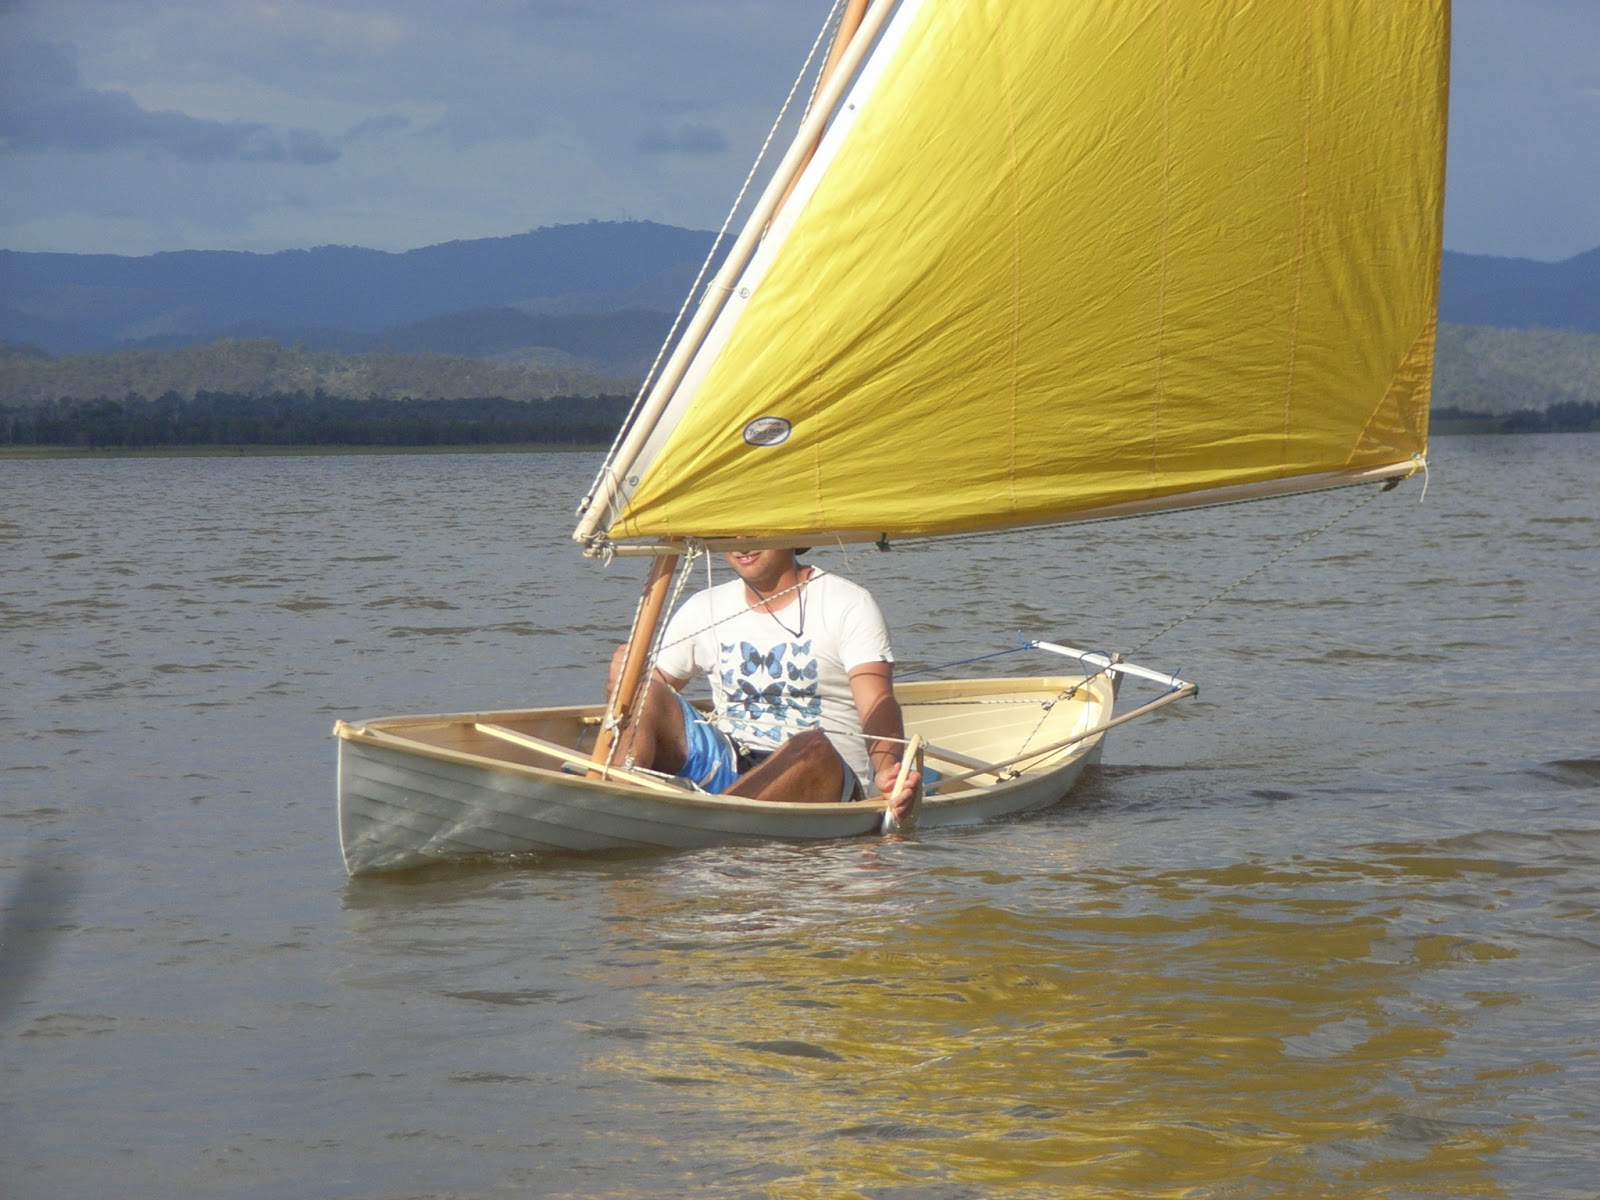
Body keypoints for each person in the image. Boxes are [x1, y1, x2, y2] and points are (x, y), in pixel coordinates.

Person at [608, 548, 921, 820]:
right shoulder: (704, 606)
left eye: (755, 529)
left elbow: (877, 704)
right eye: (731, 532)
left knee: (810, 743)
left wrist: (887, 770)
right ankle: (614, 801)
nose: (743, 541)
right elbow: (648, 705)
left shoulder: (849, 604)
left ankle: (708, 825)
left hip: (822, 771)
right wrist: (625, 682)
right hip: (733, 765)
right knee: (637, 680)